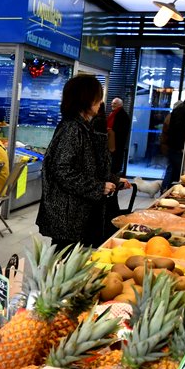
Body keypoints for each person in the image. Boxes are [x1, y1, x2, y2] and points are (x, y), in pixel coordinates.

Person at [37, 75, 127, 250]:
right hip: (69, 215)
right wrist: (98, 187)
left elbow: (88, 166)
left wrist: (114, 180)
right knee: (65, 260)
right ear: (85, 98)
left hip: (78, 213)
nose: (101, 102)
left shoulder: (82, 127)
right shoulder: (72, 129)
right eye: (97, 97)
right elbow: (63, 171)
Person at [162, 90, 185, 189]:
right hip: (176, 147)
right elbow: (177, 130)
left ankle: (166, 189)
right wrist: (181, 147)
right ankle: (166, 190)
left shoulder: (184, 109)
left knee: (172, 169)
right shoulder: (183, 109)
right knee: (174, 171)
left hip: (175, 146)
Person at [107, 97, 131, 176]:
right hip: (112, 143)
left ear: (120, 105)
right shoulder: (114, 113)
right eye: (112, 103)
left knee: (114, 165)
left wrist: (110, 130)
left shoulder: (122, 116)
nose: (112, 105)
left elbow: (121, 130)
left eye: (115, 103)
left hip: (116, 144)